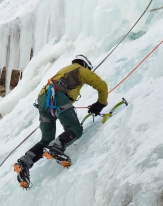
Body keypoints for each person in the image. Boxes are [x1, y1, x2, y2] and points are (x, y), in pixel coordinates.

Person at [14, 55, 108, 189]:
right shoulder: (79, 69)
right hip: (56, 95)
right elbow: (102, 85)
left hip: (43, 100)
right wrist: (100, 103)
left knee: (46, 139)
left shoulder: (64, 71)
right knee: (75, 128)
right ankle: (56, 148)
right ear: (86, 65)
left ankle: (24, 162)